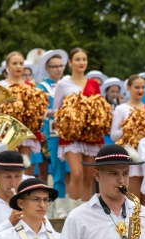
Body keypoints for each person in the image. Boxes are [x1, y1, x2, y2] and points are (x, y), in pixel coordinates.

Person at [52, 47, 104, 206]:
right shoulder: (63, 84)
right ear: (70, 63)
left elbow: (100, 109)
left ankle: (86, 211)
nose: (81, 62)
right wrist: (72, 114)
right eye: (78, 59)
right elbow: (56, 109)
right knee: (76, 173)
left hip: (90, 135)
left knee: (89, 176)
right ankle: (72, 211)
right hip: (71, 135)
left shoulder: (94, 84)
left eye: (84, 59)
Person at [36, 49, 69, 217]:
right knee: (52, 171)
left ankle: (62, 209)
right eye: (54, 66)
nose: (58, 69)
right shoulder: (41, 87)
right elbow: (38, 112)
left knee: (65, 172)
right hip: (50, 132)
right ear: (47, 68)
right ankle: (51, 210)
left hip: (68, 132)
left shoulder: (68, 83)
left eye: (61, 66)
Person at [110, 74, 145, 199]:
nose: (140, 91)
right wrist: (129, 129)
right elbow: (113, 136)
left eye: (143, 87)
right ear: (128, 88)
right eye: (136, 87)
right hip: (130, 155)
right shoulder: (121, 109)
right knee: (133, 198)